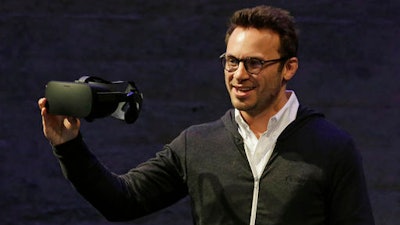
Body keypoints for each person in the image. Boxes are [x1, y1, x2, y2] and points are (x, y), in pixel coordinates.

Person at [38, 5, 375, 225]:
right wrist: (68, 145)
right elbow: (121, 201)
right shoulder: (198, 144)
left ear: (289, 68)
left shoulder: (331, 148)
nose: (239, 74)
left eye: (254, 63)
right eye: (231, 61)